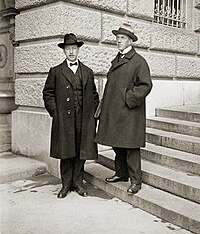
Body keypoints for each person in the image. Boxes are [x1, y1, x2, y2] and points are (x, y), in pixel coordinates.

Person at [95, 23, 152, 195]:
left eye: (122, 38)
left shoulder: (139, 61)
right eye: (118, 38)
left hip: (130, 112)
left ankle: (136, 181)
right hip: (114, 110)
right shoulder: (117, 59)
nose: (118, 41)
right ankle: (121, 173)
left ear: (130, 42)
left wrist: (127, 98)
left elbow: (145, 85)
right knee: (117, 144)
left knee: (131, 147)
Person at [43, 33, 99, 198]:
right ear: (64, 51)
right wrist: (55, 112)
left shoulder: (88, 72)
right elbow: (48, 93)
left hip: (84, 119)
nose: (71, 52)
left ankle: (78, 183)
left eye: (74, 48)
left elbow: (94, 95)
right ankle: (66, 185)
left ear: (78, 50)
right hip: (64, 119)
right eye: (68, 49)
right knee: (66, 152)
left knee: (81, 151)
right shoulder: (56, 71)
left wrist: (93, 114)